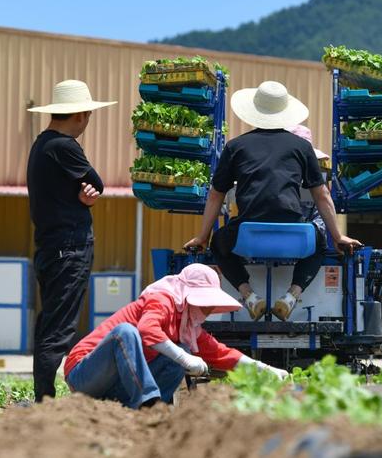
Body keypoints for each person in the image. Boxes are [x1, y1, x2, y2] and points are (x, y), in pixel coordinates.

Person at [184, 81, 361, 322]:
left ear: (254, 111)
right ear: (285, 111)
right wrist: (339, 237)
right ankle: (290, 296)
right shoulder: (301, 147)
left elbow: (216, 194)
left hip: (248, 235)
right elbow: (322, 195)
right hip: (295, 236)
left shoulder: (235, 147)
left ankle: (249, 296)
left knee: (218, 244)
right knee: (321, 243)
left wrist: (203, 237)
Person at [64, 264, 287, 409]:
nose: (208, 310)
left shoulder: (187, 325)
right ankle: (149, 403)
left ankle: (143, 409)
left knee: (181, 352)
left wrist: (265, 369)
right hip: (84, 374)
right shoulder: (161, 300)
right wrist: (183, 357)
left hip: (115, 387)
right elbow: (147, 329)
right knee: (126, 332)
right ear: (188, 295)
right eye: (205, 302)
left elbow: (221, 354)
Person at [26, 80, 117, 402]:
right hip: (70, 247)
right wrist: (89, 193)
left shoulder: (41, 145)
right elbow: (97, 182)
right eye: (88, 116)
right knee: (60, 328)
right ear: (79, 115)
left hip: (51, 247)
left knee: (50, 321)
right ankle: (45, 399)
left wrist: (83, 198)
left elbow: (83, 191)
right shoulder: (64, 147)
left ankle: (43, 394)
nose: (88, 122)